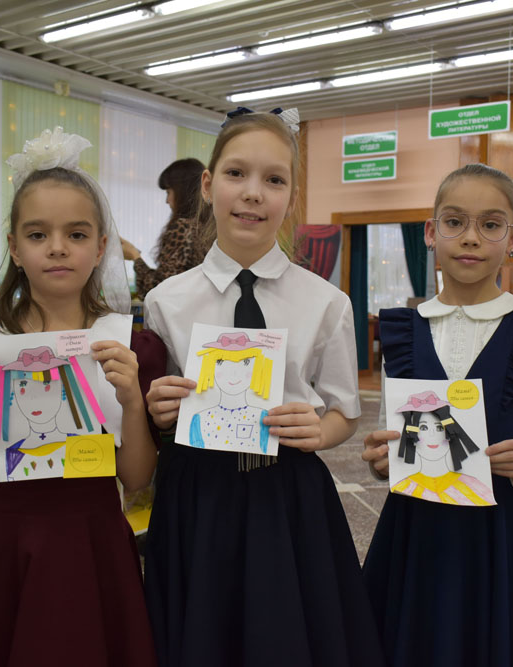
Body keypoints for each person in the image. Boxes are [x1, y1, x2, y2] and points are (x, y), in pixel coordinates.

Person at [142, 108, 385, 667]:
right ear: (207, 185)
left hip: (288, 495)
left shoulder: (327, 302)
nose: (253, 194)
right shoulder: (166, 302)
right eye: (236, 174)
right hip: (196, 494)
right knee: (203, 630)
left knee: (288, 630)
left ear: (291, 197)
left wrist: (319, 432)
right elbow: (157, 410)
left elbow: (345, 411)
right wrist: (156, 409)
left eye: (273, 180)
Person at [0, 127, 162, 667]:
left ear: (100, 247)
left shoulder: (130, 344)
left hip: (95, 542)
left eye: (75, 234)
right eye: (37, 234)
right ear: (14, 248)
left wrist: (134, 403)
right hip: (5, 543)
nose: (56, 248)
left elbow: (136, 478)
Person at [361, 164, 513, 666]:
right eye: (454, 222)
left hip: (504, 532)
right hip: (417, 530)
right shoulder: (404, 330)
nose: (470, 238)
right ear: (430, 233)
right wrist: (380, 459)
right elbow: (390, 434)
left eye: (490, 225)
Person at [122, 157, 209, 298]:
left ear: (182, 192)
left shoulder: (182, 228)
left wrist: (134, 256)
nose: (166, 200)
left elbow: (160, 289)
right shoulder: (209, 227)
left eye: (168, 192)